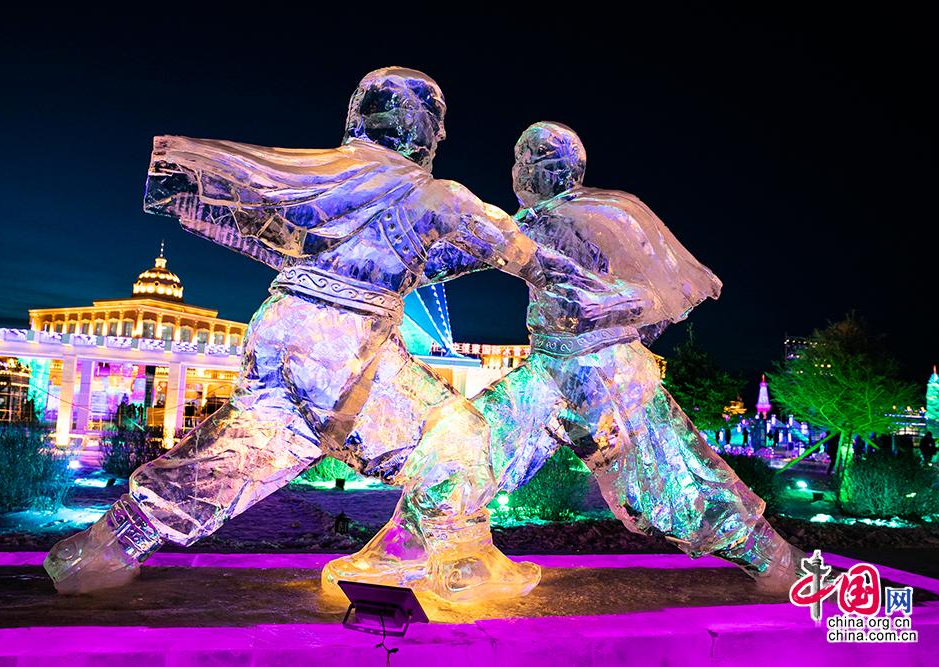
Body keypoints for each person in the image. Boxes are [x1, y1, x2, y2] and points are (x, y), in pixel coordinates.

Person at [43, 70, 614, 602]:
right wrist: (581, 266)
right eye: (435, 125)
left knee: (255, 446)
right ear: (420, 129)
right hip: (348, 336)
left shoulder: (335, 180)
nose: (439, 137)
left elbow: (424, 260)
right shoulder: (437, 196)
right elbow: (518, 251)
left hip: (283, 323)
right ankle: (448, 561)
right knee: (456, 433)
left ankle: (105, 545)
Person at [329, 122, 804, 594]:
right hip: (549, 373)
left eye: (523, 161)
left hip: (608, 377)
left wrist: (609, 305)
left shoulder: (609, 213)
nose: (516, 173)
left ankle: (779, 563)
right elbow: (450, 259)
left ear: (551, 168)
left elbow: (672, 289)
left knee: (673, 480)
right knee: (469, 447)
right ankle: (403, 548)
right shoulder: (543, 221)